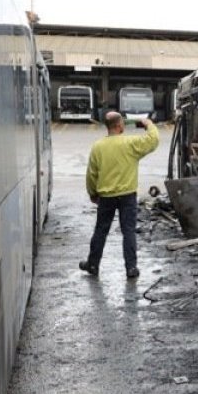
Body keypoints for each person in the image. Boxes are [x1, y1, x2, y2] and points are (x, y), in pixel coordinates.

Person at [81, 111, 158, 278]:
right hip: (127, 195)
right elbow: (153, 140)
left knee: (101, 230)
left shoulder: (98, 146)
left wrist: (92, 193)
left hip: (106, 197)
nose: (124, 125)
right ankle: (131, 268)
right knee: (128, 231)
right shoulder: (130, 143)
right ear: (118, 125)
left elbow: (92, 173)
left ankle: (93, 264)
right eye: (122, 122)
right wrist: (148, 124)